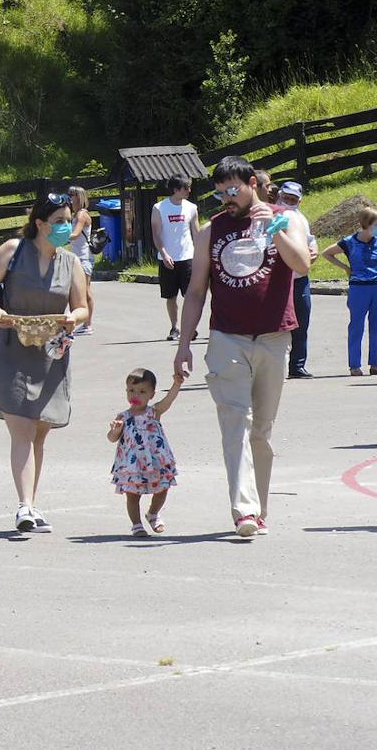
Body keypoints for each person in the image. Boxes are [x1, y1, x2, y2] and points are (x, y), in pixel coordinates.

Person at [172, 155, 312, 538]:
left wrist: (276, 229)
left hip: (273, 337)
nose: (227, 200)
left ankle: (259, 508)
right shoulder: (211, 231)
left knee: (261, 431)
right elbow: (197, 290)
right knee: (235, 423)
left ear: (252, 182)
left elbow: (302, 266)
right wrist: (184, 345)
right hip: (227, 338)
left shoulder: (288, 217)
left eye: (232, 191)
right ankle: (244, 511)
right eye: (220, 195)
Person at [0, 192, 89, 534]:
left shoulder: (71, 263)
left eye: (68, 221)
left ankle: (31, 502)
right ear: (39, 224)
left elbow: (83, 307)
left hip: (51, 354)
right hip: (11, 349)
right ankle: (24, 506)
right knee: (21, 429)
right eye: (58, 222)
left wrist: (74, 319)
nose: (65, 227)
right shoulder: (13, 251)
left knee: (39, 434)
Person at [107, 368, 183, 537]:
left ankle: (153, 514)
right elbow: (112, 438)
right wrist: (115, 430)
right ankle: (136, 524)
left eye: (142, 392)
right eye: (131, 390)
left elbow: (168, 400)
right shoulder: (123, 416)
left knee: (162, 488)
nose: (136, 395)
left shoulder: (154, 412)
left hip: (156, 460)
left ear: (152, 394)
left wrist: (176, 384)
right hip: (132, 465)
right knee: (133, 495)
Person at [321, 207, 377, 376]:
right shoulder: (349, 242)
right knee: (356, 325)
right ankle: (354, 364)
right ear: (366, 224)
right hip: (359, 288)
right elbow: (327, 253)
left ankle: (375, 363)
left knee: (376, 326)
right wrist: (345, 267)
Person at [277, 182, 320, 378]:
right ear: (280, 195)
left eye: (293, 200)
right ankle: (278, 366)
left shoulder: (301, 218)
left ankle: (298, 365)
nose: (289, 202)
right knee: (278, 326)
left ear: (299, 201)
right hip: (281, 279)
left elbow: (310, 239)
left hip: (300, 279)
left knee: (302, 323)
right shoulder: (277, 216)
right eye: (286, 198)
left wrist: (314, 249)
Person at [150, 174, 200, 341]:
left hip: (187, 257)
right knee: (170, 296)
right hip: (167, 258)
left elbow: (196, 232)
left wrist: (201, 254)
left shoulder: (191, 207)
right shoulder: (159, 208)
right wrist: (164, 254)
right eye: (185, 187)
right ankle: (175, 327)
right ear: (175, 189)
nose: (189, 190)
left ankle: (190, 328)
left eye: (189, 187)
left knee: (190, 295)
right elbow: (156, 234)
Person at [68, 186, 95, 335]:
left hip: (84, 258)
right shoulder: (75, 214)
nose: (70, 198)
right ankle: (84, 323)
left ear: (79, 197)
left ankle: (88, 324)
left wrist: (56, 237)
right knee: (79, 291)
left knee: (85, 292)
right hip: (78, 258)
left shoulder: (81, 215)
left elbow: (75, 234)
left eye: (72, 195)